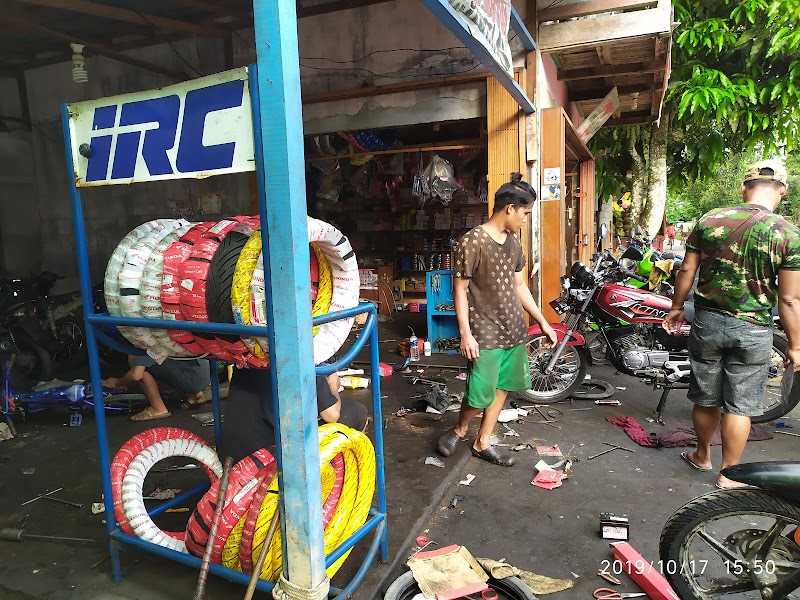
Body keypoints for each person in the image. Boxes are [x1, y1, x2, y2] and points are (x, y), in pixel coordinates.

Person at [663, 159, 800, 489]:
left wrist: (677, 306)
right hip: (753, 330)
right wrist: (795, 345)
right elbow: (790, 299)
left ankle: (701, 454)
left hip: (708, 322)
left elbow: (685, 271)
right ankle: (729, 474)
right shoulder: (789, 234)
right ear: (781, 190)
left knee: (706, 397)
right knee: (740, 405)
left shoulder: (710, 220)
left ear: (743, 188)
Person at [437, 172, 557, 467]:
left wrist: (541, 321)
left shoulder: (514, 242)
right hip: (485, 332)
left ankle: (483, 441)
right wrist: (466, 333)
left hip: (513, 329)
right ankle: (460, 428)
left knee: (503, 386)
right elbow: (460, 289)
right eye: (525, 213)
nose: (526, 219)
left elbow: (519, 286)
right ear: (509, 208)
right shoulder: (472, 241)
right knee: (479, 392)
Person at [217, 368, 368, 464]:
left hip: (231, 454)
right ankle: (339, 482)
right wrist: (332, 384)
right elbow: (332, 415)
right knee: (357, 412)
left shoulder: (248, 352)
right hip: (271, 461)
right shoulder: (305, 351)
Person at [102, 355, 211, 421]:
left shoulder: (143, 333)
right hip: (205, 376)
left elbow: (136, 375)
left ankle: (158, 408)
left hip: (188, 378)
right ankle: (194, 393)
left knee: (141, 367)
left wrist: (116, 382)